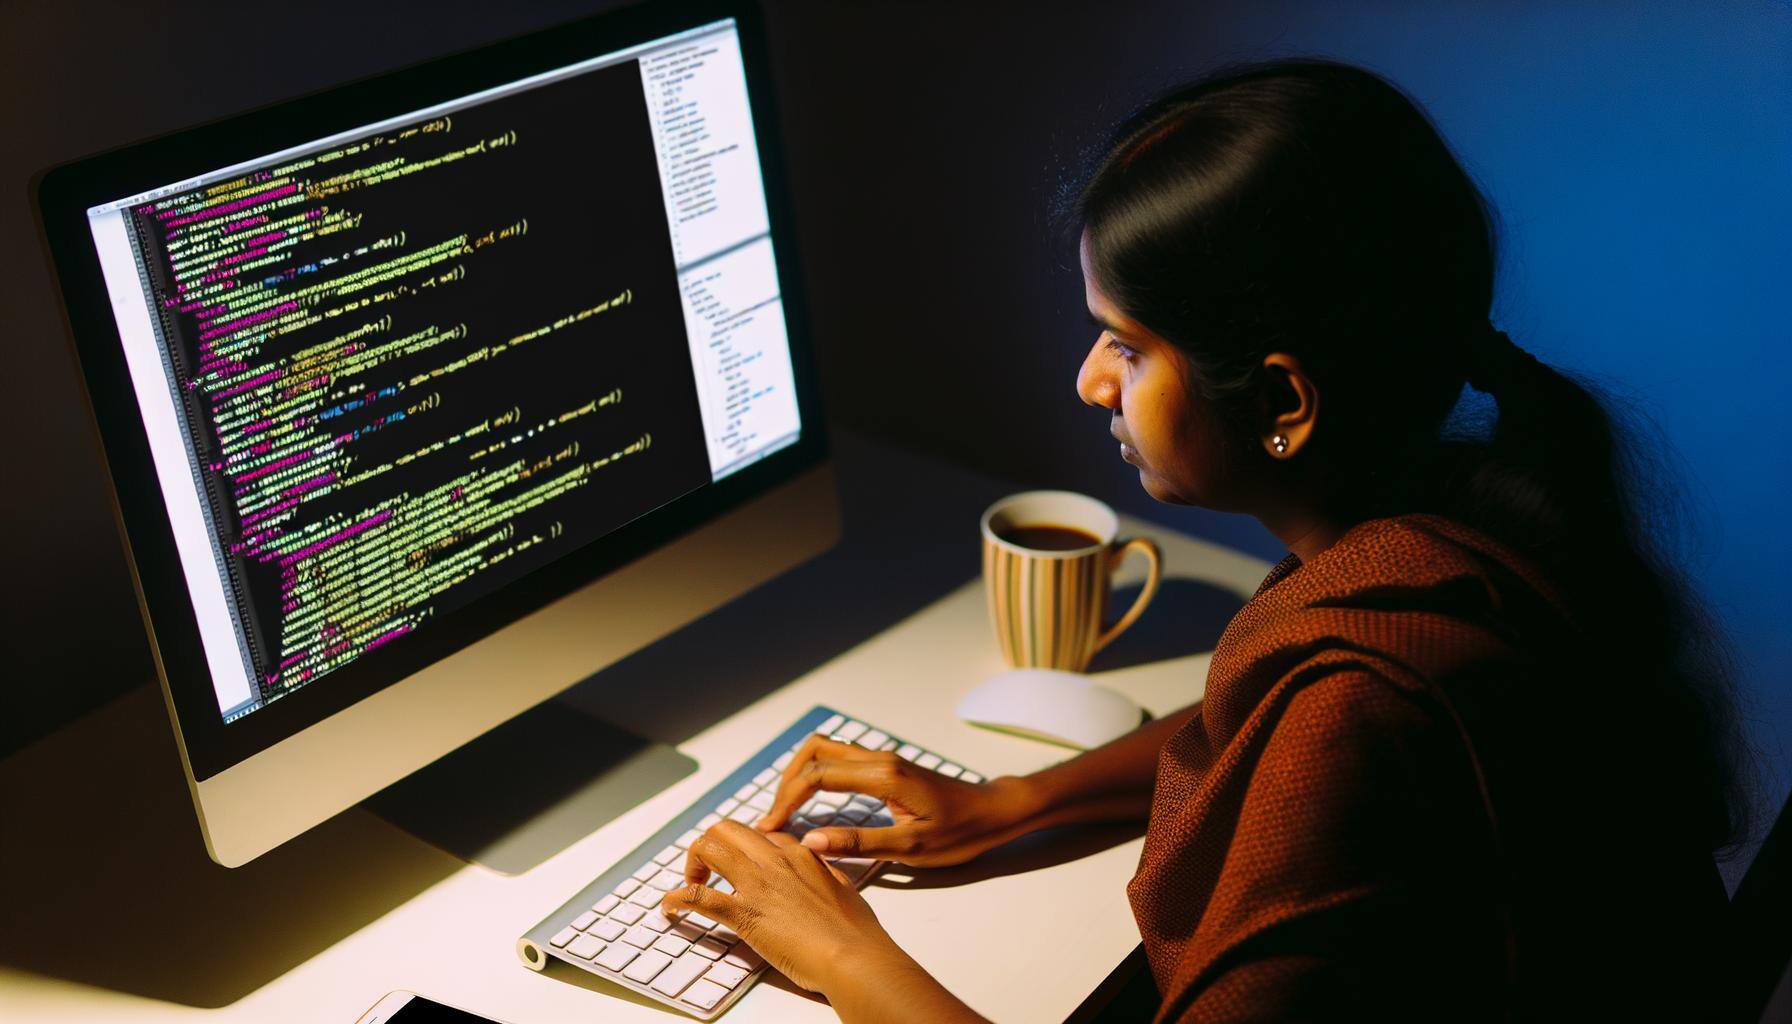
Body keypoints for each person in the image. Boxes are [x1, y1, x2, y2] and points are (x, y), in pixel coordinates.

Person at [660, 59, 1751, 1022]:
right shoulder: (1459, 539)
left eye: (1126, 346)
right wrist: (1017, 801)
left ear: (1282, 399)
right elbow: (1262, 733)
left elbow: (1319, 736)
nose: (1088, 381)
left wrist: (843, 954)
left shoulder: (1360, 688)